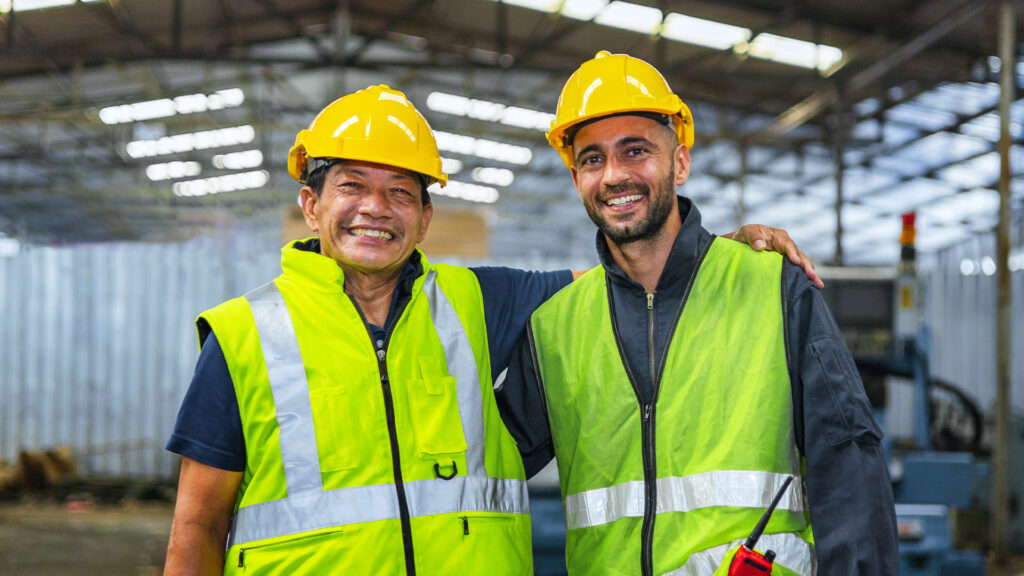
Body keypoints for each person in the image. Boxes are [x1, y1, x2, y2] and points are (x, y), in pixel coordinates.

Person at [162, 84, 819, 576]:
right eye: (351, 185)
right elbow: (197, 525)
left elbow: (632, 271)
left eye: (400, 193)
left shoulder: (480, 301)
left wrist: (720, 250)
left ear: (424, 218)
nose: (374, 209)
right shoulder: (245, 336)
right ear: (311, 206)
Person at [497, 51, 898, 576]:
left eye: (635, 151)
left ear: (680, 162)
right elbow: (481, 474)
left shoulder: (773, 287)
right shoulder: (554, 327)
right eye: (592, 159)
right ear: (577, 180)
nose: (613, 174)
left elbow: (849, 465)